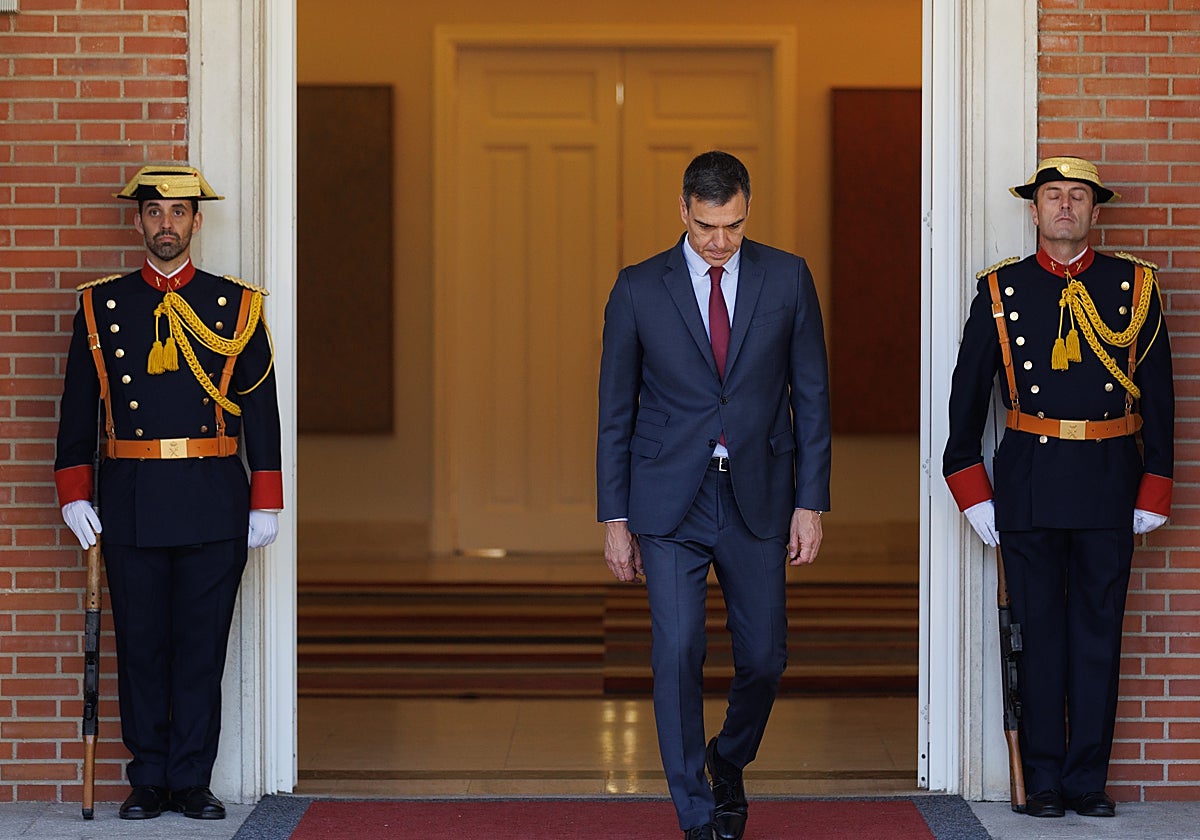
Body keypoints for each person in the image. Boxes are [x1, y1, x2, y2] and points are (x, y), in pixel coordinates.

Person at [597, 150, 831, 840]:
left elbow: (812, 397)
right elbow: (615, 411)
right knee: (676, 654)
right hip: (669, 500)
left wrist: (810, 501)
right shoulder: (639, 288)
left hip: (759, 494)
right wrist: (615, 517)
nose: (719, 241)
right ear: (683, 211)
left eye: (731, 225)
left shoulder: (787, 279)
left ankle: (727, 760)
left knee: (765, 657)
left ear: (746, 208)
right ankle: (697, 815)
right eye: (706, 227)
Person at [943, 157, 1173, 819]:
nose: (1065, 207)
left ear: (1095, 210)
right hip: (1030, 483)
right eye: (1053, 195)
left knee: (1099, 634)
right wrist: (971, 487)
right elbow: (966, 402)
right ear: (1035, 209)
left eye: (1077, 196)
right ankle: (1042, 779)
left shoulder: (1136, 287)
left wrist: (1156, 482)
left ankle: (1086, 780)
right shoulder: (1000, 290)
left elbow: (1159, 394)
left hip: (1109, 482)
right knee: (1038, 635)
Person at [55, 165, 283, 821]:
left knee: (200, 649)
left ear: (196, 223)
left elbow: (260, 408)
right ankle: (148, 779)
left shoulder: (236, 307)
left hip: (213, 499)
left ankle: (191, 781)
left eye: (178, 213)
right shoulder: (100, 306)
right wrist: (75, 491)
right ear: (138, 222)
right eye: (154, 212)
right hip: (128, 498)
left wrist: (264, 497)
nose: (166, 224)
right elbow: (77, 410)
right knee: (142, 649)